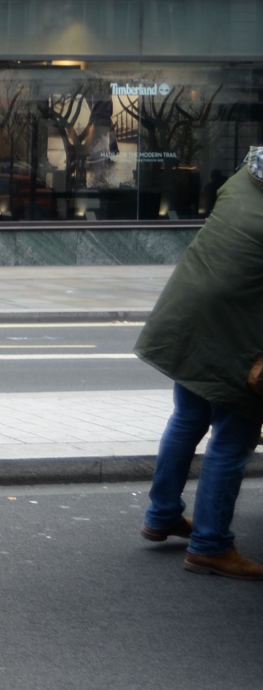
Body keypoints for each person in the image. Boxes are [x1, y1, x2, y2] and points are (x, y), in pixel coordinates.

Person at [134, 146, 263, 579]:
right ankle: (210, 544)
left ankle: (162, 514)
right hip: (236, 327)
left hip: (190, 308)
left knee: (188, 416)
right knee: (234, 433)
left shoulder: (244, 177)